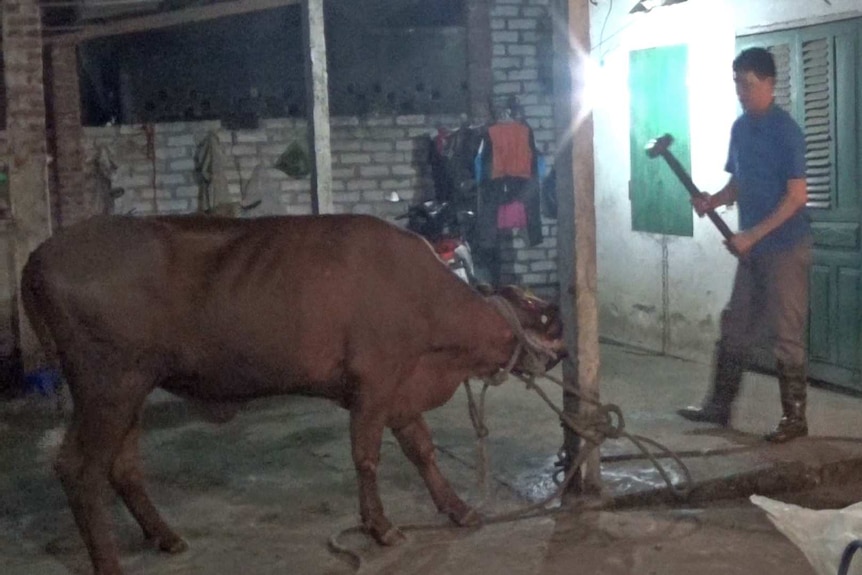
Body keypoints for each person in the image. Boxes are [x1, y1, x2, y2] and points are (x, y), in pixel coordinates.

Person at [677, 47, 812, 443]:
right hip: (753, 250)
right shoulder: (740, 129)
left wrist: (752, 235)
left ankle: (795, 419)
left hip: (786, 248)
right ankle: (719, 406)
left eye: (749, 84)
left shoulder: (786, 132)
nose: (742, 91)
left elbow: (796, 197)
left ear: (770, 84)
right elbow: (739, 182)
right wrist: (713, 201)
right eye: (737, 83)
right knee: (735, 326)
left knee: (786, 333)